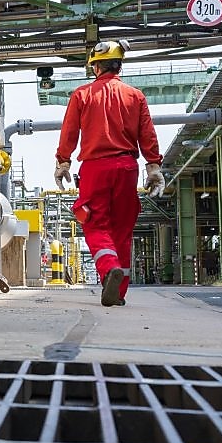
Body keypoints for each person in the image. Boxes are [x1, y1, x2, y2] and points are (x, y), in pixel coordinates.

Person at [54, 40, 165, 307]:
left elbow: (69, 132)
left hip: (95, 168)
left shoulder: (81, 95)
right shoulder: (135, 96)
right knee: (123, 230)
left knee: (94, 223)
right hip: (127, 168)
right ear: (119, 66)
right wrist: (154, 167)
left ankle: (108, 268)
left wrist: (63, 162)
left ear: (95, 67)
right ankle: (119, 292)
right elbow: (147, 134)